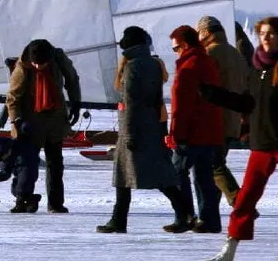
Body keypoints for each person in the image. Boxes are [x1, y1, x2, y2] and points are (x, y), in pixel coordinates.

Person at [95, 26, 194, 234]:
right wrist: (160, 129)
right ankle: (182, 214)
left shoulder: (132, 66)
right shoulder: (153, 63)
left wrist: (129, 133)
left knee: (127, 176)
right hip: (150, 124)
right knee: (155, 175)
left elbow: (131, 102)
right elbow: (156, 99)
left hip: (134, 127)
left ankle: (119, 220)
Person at [199, 16, 278, 261]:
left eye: (272, 34)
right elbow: (249, 104)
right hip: (263, 142)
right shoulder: (258, 69)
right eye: (263, 33)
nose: (266, 38)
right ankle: (228, 252)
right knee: (244, 199)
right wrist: (214, 95)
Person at [5, 38, 82, 213]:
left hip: (55, 120)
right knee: (26, 164)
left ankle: (55, 203)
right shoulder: (22, 68)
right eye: (36, 64)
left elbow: (72, 79)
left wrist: (76, 103)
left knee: (55, 163)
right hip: (30, 123)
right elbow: (13, 98)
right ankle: (22, 199)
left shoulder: (58, 58)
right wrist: (15, 121)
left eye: (43, 64)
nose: (39, 67)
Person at [168, 25, 224, 233]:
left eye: (175, 48)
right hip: (211, 130)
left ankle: (185, 217)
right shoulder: (207, 61)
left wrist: (176, 133)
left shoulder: (188, 67)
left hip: (192, 132)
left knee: (175, 174)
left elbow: (182, 106)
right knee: (203, 176)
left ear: (184, 45)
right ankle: (210, 221)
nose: (175, 52)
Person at [197, 16, 250, 208]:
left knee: (213, 166)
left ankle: (240, 200)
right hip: (233, 120)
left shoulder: (210, 54)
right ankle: (210, 214)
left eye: (199, 33)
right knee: (216, 166)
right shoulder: (236, 54)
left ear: (206, 32)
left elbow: (203, 89)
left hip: (214, 119)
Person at [0, 127, 41, 213]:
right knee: (15, 189)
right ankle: (31, 200)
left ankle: (19, 205)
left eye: (4, 154)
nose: (5, 157)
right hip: (19, 173)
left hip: (29, 167)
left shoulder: (20, 145)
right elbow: (5, 173)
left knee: (21, 187)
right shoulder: (6, 158)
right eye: (2, 157)